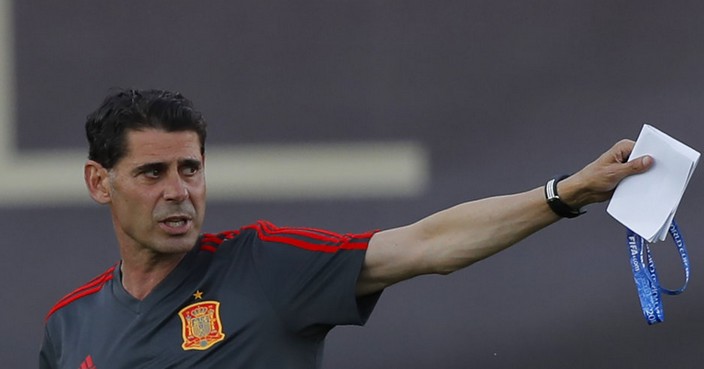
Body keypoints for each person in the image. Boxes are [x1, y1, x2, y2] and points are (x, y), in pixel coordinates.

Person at [39, 88, 652, 369]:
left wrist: (563, 195)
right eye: (151, 172)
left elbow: (427, 245)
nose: (178, 191)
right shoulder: (68, 327)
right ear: (100, 182)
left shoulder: (264, 264)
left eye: (190, 169)